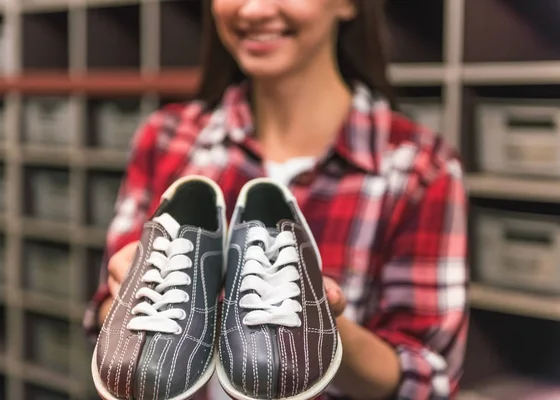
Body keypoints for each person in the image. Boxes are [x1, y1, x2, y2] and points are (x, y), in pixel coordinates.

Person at [83, 0, 469, 399]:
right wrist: (130, 296)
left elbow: (429, 377)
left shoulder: (422, 167)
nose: (252, 10)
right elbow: (102, 319)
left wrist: (324, 326)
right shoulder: (166, 138)